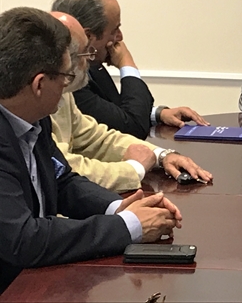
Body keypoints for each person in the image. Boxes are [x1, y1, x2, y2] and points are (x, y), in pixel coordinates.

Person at [0, 7, 182, 294]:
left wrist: (117, 207)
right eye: (65, 77)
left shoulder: (34, 117)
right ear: (39, 84)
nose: (67, 86)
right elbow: (23, 240)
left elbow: (62, 180)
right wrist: (127, 226)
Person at [50, 12, 212, 193]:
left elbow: (97, 138)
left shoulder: (66, 90)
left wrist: (161, 155)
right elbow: (61, 168)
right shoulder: (59, 91)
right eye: (85, 52)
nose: (89, 59)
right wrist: (134, 169)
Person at [51, 0, 209, 140]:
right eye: (114, 30)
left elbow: (116, 111)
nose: (120, 37)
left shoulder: (92, 66)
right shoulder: (69, 80)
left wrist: (157, 114)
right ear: (88, 36)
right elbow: (132, 128)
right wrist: (126, 63)